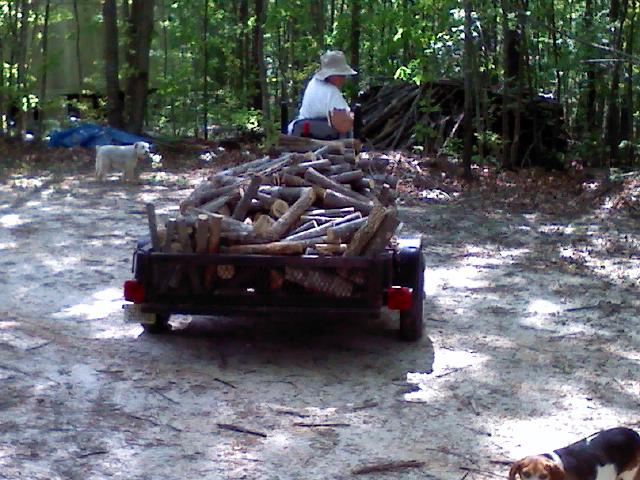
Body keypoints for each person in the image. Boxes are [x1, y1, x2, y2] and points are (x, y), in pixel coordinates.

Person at [288, 50, 357, 139]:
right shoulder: (331, 92)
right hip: (319, 135)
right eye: (341, 75)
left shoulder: (314, 83)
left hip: (300, 130)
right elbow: (343, 123)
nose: (344, 79)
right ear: (332, 75)